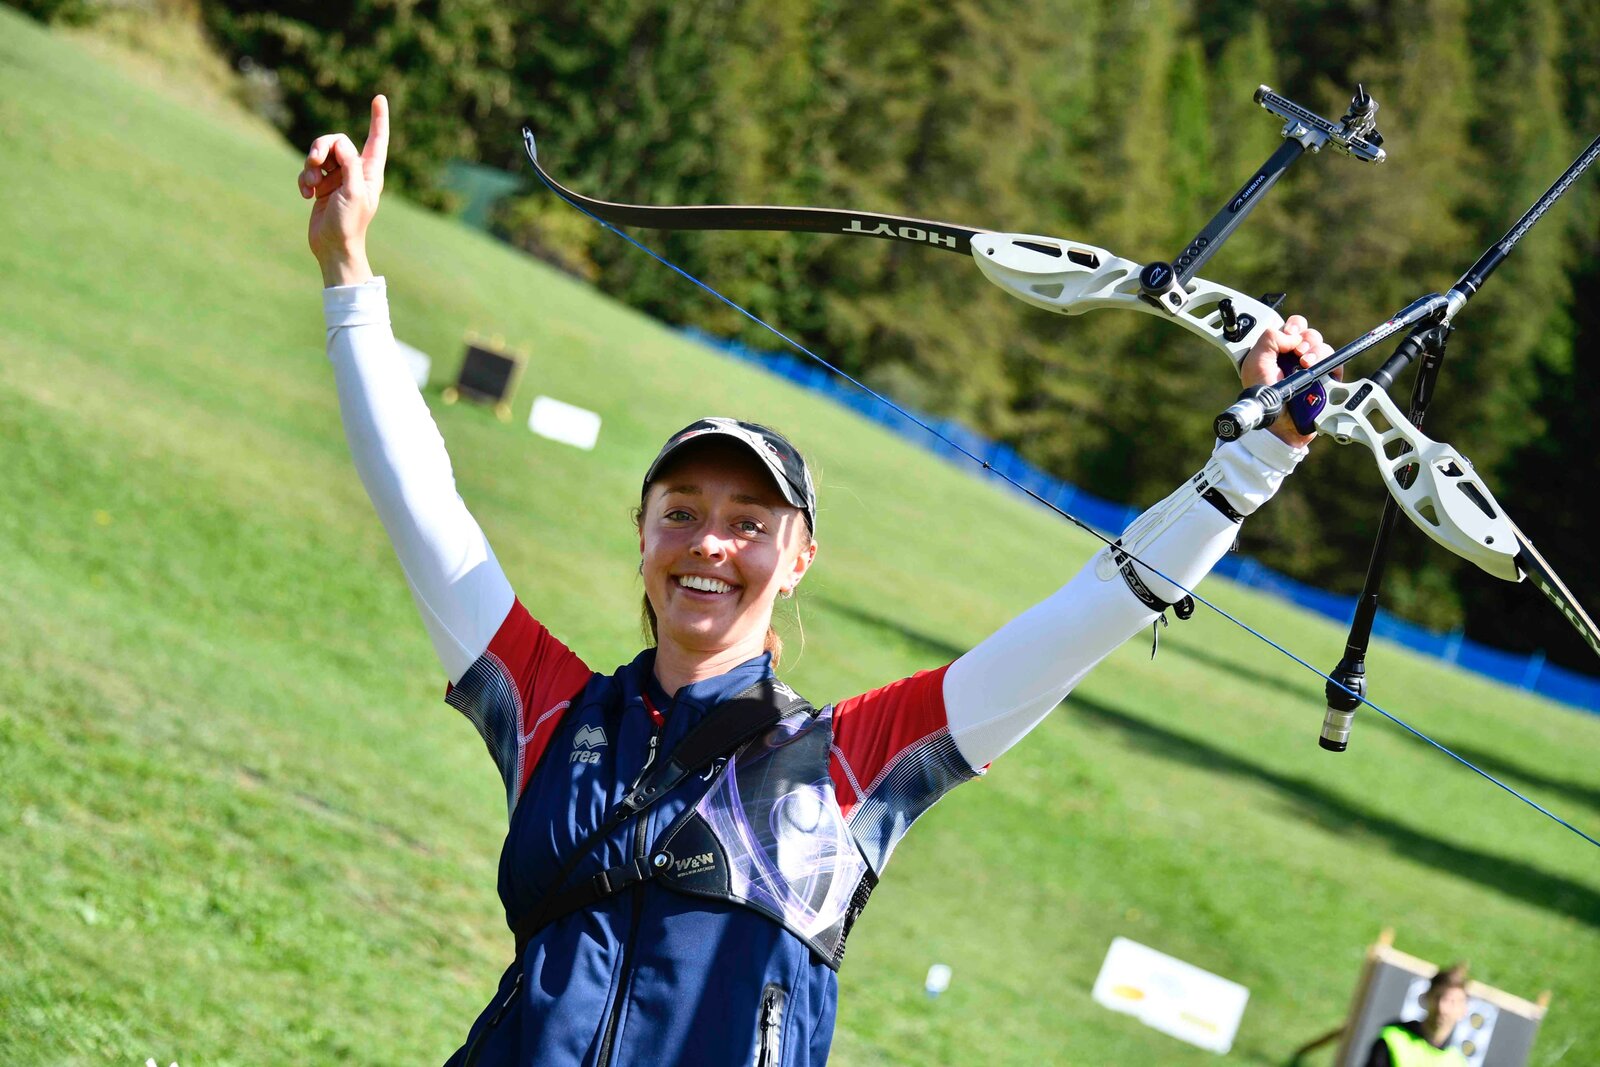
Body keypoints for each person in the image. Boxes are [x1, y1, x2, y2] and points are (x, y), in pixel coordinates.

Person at [300, 96, 1336, 1067]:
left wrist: (1255, 458)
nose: (710, 542)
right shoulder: (548, 709)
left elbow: (1081, 621)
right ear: (645, 535)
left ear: (797, 561)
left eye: (750, 522)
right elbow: (421, 507)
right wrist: (349, 269)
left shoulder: (856, 759)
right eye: (684, 512)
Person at [1364, 964, 1472, 1067]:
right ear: (1425, 998)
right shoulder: (1394, 1039)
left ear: (1464, 1010)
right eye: (1438, 998)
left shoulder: (1457, 1063)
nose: (1442, 1008)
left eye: (1452, 1002)